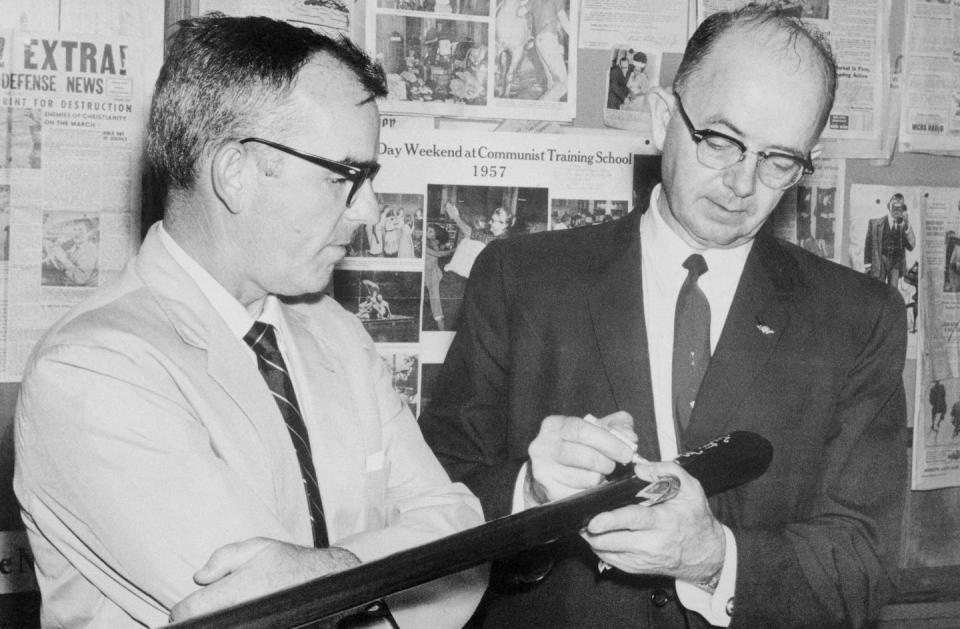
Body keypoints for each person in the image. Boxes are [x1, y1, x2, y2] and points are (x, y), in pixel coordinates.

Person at [420, 4, 906, 628]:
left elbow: (863, 566)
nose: (742, 183)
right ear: (660, 117)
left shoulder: (858, 319)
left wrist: (713, 560)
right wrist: (530, 496)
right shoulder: (522, 280)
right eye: (722, 140)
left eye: (779, 160)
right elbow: (436, 504)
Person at [14, 14, 485, 628]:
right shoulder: (91, 371)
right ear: (235, 173)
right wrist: (385, 574)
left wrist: (328, 573)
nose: (367, 209)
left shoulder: (335, 333)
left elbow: (463, 546)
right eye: (345, 176)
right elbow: (273, 614)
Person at [864, 192, 916, 287]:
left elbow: (911, 246)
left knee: (893, 292)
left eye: (900, 207)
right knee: (878, 290)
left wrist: (907, 224)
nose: (897, 210)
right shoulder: (875, 224)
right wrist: (867, 265)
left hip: (895, 264)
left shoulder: (904, 226)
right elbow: (868, 245)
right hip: (880, 261)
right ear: (888, 206)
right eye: (894, 206)